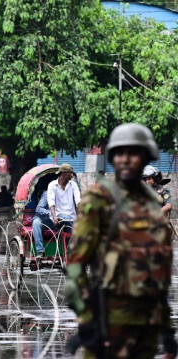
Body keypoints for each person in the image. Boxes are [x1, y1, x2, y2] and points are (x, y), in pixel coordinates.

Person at [64, 123, 177, 359]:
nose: (126, 160)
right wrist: (87, 321)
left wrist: (166, 330)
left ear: (145, 157)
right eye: (120, 153)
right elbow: (75, 266)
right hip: (107, 325)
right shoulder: (99, 200)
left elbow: (160, 272)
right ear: (113, 158)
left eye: (133, 153)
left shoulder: (152, 203)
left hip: (147, 327)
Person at [33, 163, 80, 257]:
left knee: (71, 222)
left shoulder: (73, 185)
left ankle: (71, 250)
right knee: (36, 222)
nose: (72, 175)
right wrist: (53, 215)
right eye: (70, 173)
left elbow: (78, 201)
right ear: (63, 174)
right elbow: (46, 205)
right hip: (49, 218)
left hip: (64, 217)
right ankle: (40, 251)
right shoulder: (50, 189)